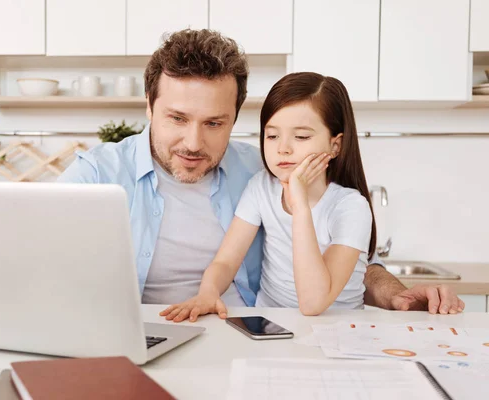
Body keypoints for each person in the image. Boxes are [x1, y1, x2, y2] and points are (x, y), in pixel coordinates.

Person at [58, 29, 464, 315]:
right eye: (177, 118)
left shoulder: (265, 170)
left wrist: (396, 294)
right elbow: (29, 262)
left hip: (245, 333)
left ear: (236, 118)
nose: (194, 142)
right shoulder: (95, 176)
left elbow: (357, 267)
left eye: (214, 123)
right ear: (149, 108)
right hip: (138, 335)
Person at [161, 72, 379, 320]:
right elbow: (226, 261)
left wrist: (300, 206)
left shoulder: (351, 207)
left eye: (301, 137)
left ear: (335, 145)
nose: (283, 148)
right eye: (272, 135)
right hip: (271, 324)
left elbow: (313, 303)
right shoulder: (261, 187)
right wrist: (208, 292)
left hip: (336, 330)